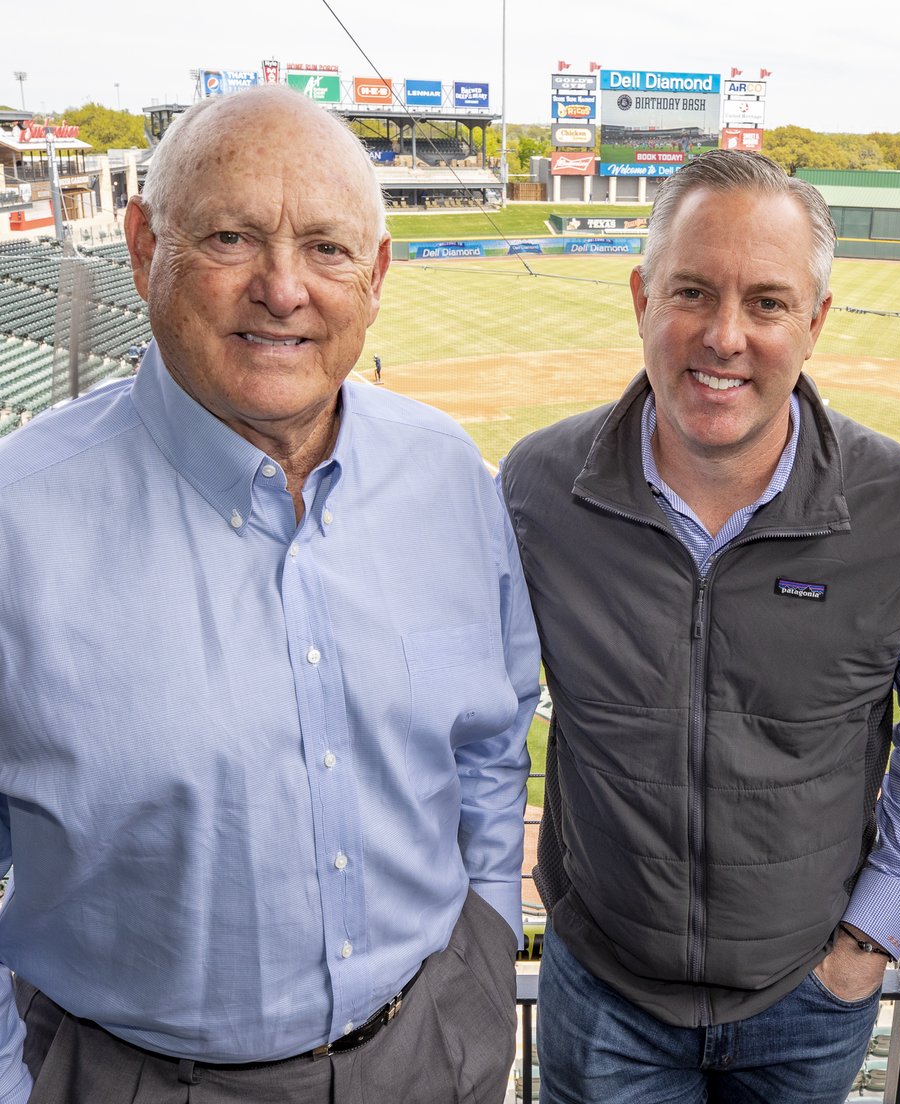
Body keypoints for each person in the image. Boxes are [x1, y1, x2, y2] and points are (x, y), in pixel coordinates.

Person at [0, 86, 540, 1104]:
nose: (284, 289)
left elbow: (489, 738)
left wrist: (483, 941)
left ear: (376, 276)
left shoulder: (447, 477)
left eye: (329, 249)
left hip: (427, 1051)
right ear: (144, 245)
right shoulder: (18, 522)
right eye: (232, 237)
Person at [500, 149, 900, 1103]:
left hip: (808, 1003)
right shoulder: (537, 488)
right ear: (642, 297)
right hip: (603, 996)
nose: (725, 336)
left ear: (814, 323)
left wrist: (867, 940)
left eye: (767, 303)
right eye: (692, 291)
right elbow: (474, 714)